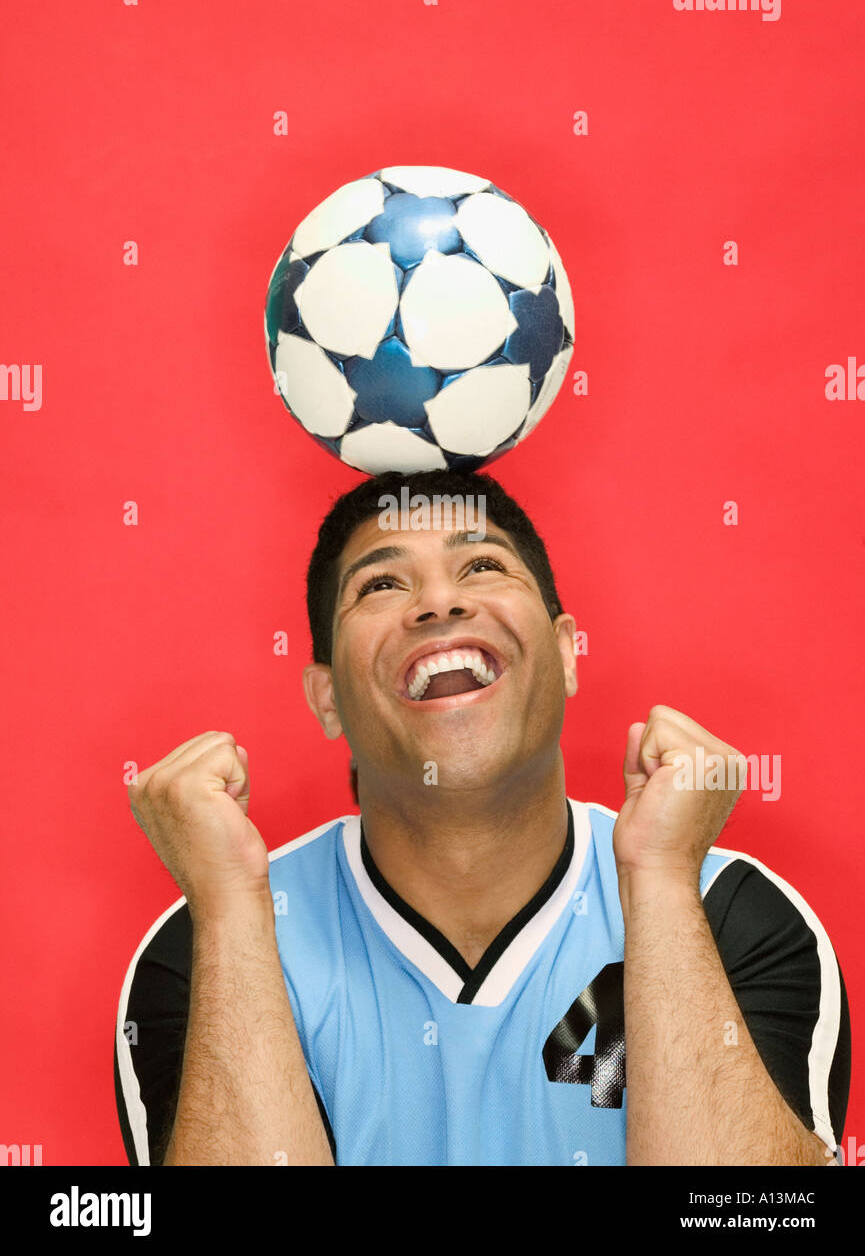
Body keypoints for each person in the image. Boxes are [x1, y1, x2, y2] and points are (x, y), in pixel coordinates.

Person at [115, 468, 850, 1166]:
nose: (439, 603)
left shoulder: (722, 913)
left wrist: (659, 885)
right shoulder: (213, 939)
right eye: (381, 582)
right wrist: (230, 915)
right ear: (327, 698)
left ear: (565, 654)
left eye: (481, 567)